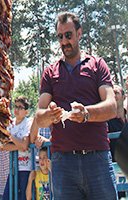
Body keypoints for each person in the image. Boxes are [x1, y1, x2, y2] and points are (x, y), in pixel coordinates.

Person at [35, 11, 118, 200]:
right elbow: (39, 116)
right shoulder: (50, 72)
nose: (64, 41)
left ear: (79, 34)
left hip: (98, 160)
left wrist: (86, 113)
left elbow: (112, 106)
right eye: (60, 37)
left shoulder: (98, 65)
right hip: (63, 163)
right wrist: (50, 115)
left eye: (68, 35)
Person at [0, 96, 32, 200]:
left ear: (26, 111)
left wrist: (11, 137)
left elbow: (24, 145)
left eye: (20, 107)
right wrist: (18, 146)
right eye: (15, 106)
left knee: (23, 196)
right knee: (8, 196)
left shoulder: (28, 122)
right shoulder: (10, 123)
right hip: (13, 168)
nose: (17, 110)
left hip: (25, 167)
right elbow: (3, 146)